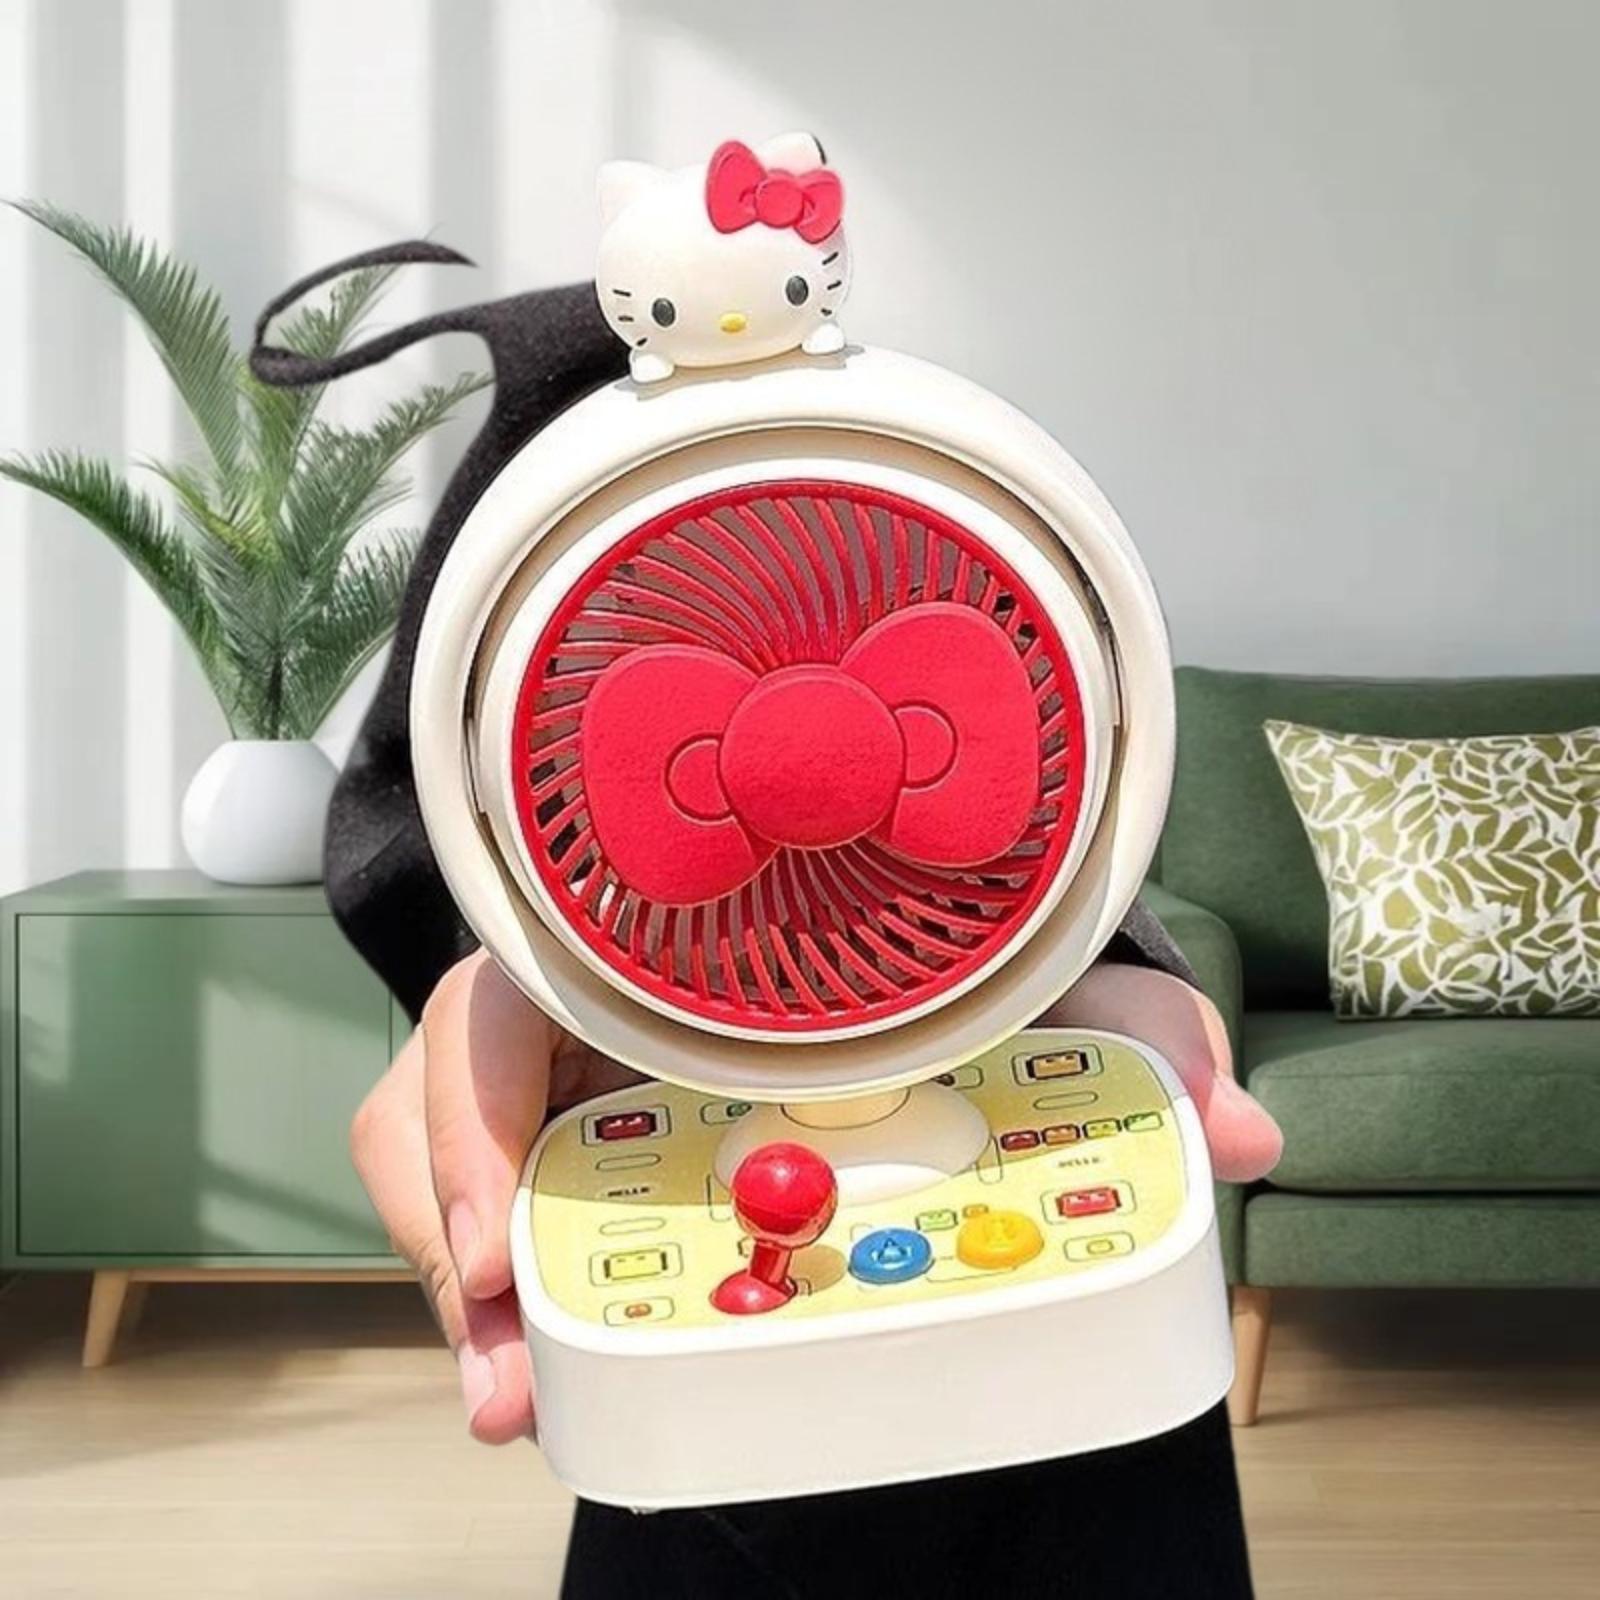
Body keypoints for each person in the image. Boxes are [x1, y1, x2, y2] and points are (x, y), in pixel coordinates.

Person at [265, 256, 1282, 1599]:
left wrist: (1066, 962)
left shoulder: (953, 638)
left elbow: (1027, 765)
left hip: (1085, 1441)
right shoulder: (589, 528)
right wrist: (538, 976)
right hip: (720, 1411)